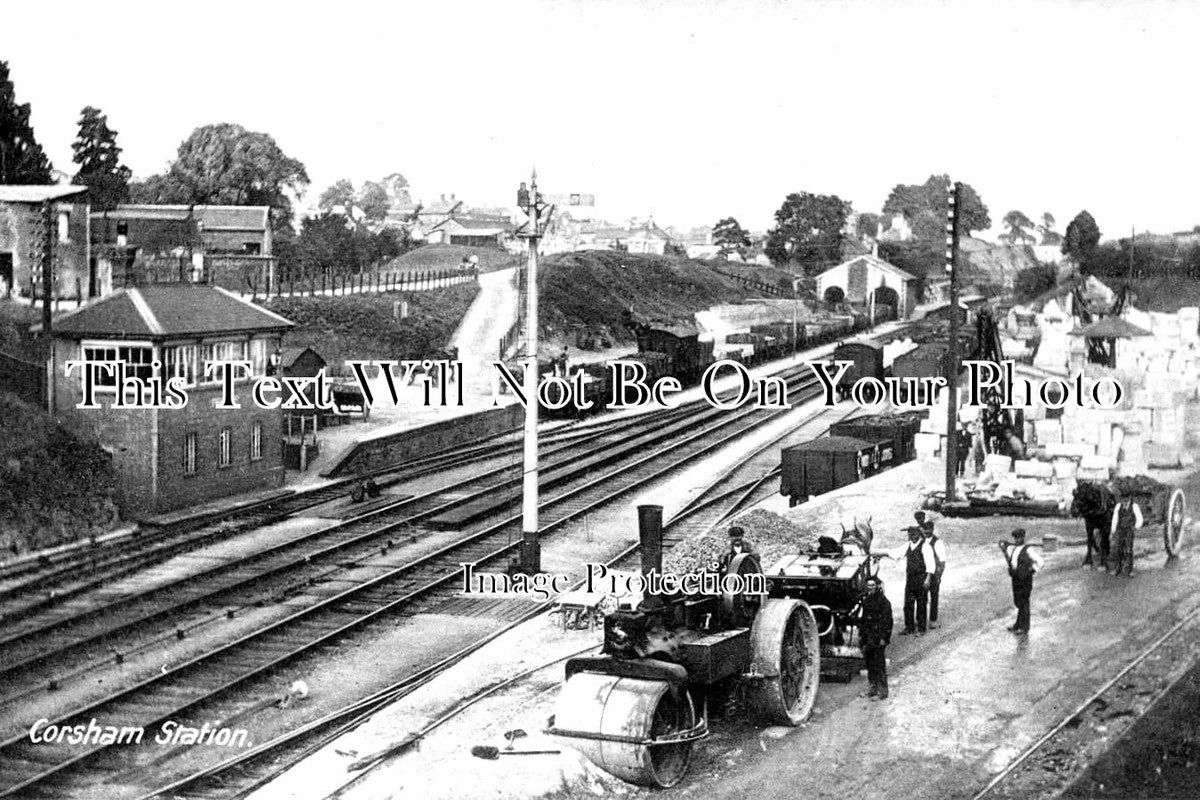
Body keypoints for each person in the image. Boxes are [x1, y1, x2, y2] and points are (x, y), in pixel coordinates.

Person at [885, 526, 936, 636]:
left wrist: (927, 579)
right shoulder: (908, 545)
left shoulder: (925, 546)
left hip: (921, 579)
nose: (913, 536)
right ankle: (909, 627)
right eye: (910, 534)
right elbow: (895, 553)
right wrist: (879, 554)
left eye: (915, 534)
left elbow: (931, 564)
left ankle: (921, 629)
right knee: (908, 604)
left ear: (919, 534)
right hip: (910, 579)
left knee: (921, 604)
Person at [999, 528, 1044, 634]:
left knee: (1024, 602)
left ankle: (1024, 627)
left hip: (1025, 580)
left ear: (1023, 538)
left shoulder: (1028, 549)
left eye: (1018, 537)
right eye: (1015, 538)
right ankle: (1018, 625)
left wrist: (1031, 571)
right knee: (1018, 601)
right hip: (1016, 579)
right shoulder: (1015, 549)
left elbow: (1040, 562)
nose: (1016, 540)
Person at [859, 575, 893, 700]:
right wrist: (862, 637)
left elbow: (888, 622)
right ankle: (872, 689)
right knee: (870, 664)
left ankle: (883, 692)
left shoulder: (884, 602)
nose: (871, 588)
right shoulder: (866, 601)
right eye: (869, 586)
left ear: (877, 586)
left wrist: (884, 638)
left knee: (879, 665)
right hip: (869, 638)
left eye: (873, 586)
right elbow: (863, 621)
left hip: (879, 638)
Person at [915, 513, 948, 629]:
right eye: (925, 529)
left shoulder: (937, 542)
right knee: (922, 599)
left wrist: (939, 576)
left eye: (929, 529)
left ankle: (933, 620)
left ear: (933, 529)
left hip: (934, 575)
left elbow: (942, 561)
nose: (927, 531)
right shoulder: (921, 541)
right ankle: (921, 621)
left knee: (934, 598)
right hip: (922, 574)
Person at [1109, 490, 1144, 577]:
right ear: (1121, 498)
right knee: (1118, 550)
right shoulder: (1118, 506)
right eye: (1123, 498)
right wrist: (1113, 530)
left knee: (1128, 550)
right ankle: (1117, 569)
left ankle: (1130, 570)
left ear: (1129, 498)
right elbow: (1115, 518)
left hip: (1129, 530)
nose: (1124, 500)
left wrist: (1136, 527)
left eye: (1126, 498)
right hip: (1120, 530)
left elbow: (1140, 518)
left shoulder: (1134, 506)